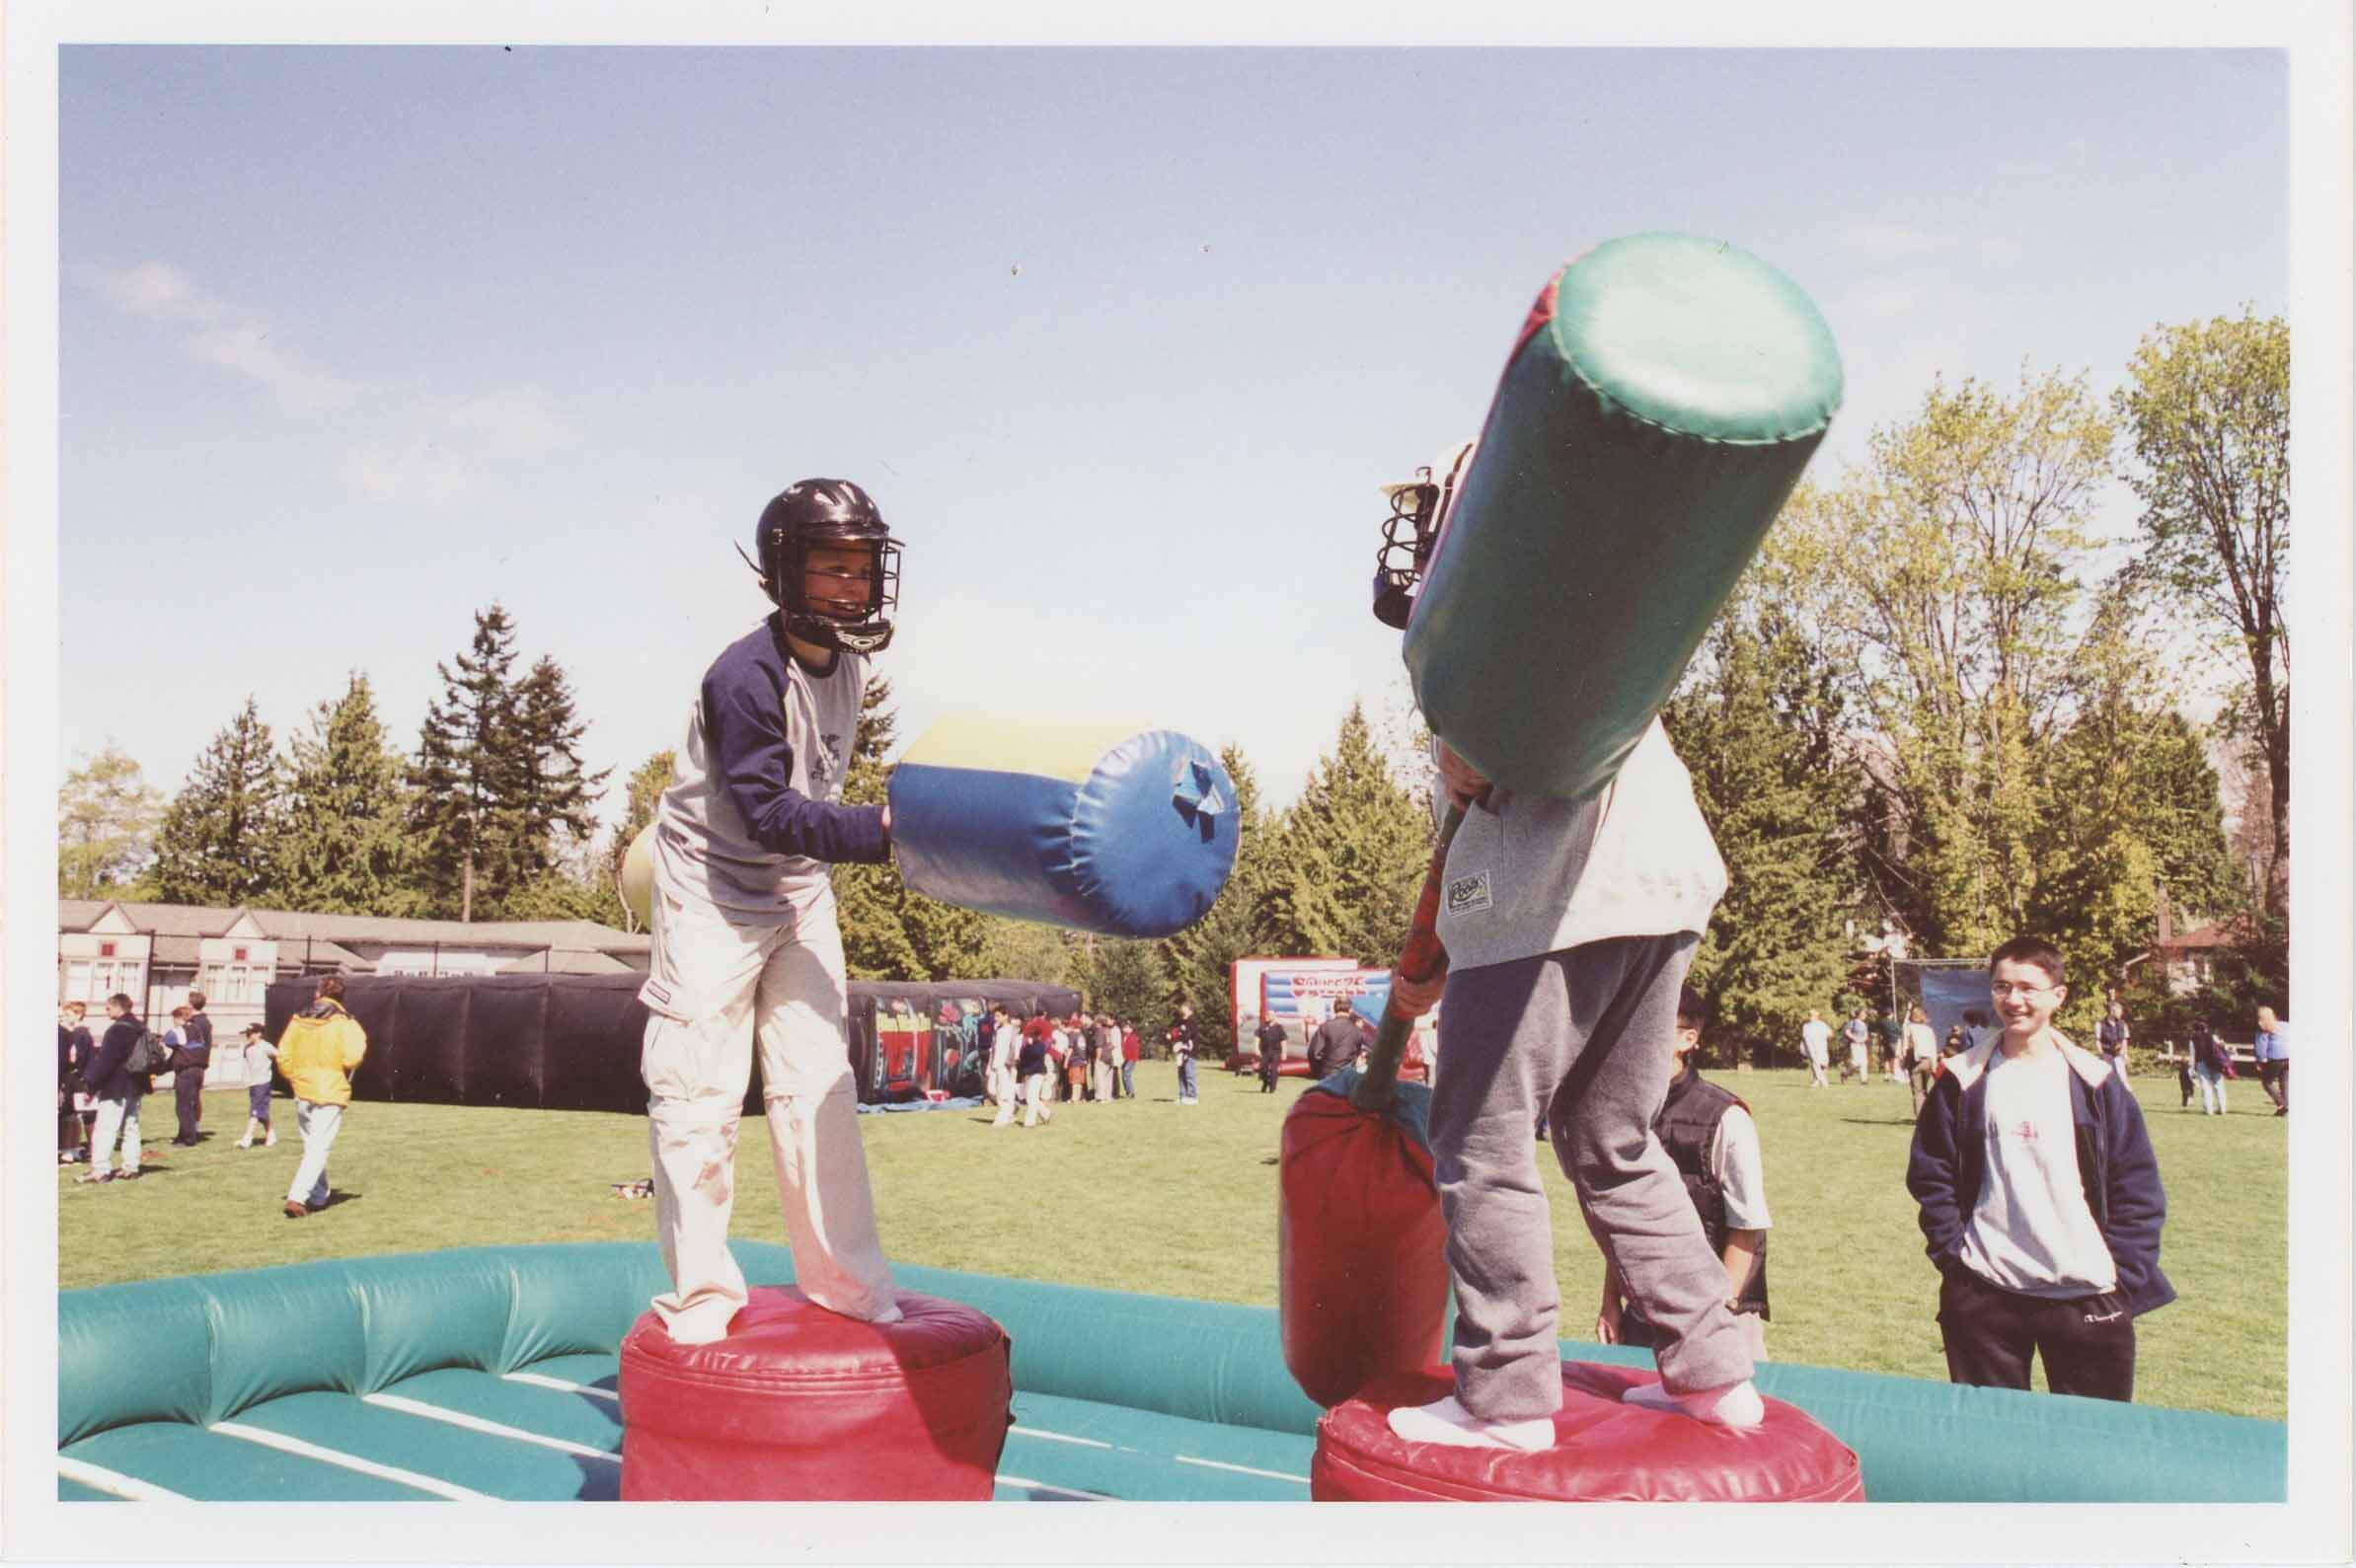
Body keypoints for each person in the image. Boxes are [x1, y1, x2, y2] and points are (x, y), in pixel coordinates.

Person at [1385, 715, 1759, 1448]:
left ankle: (1506, 1395)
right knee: (1610, 1135)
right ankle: (1715, 1368)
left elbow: (1503, 702)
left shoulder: (1470, 606)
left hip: (1543, 888)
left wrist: (1459, 736)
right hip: (1657, 877)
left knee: (1480, 1137)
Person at [635, 478, 911, 1342]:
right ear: (784, 573)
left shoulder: (852, 666)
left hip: (796, 891)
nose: (851, 585)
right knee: (700, 1094)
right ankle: (704, 1299)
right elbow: (767, 811)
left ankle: (849, 1289)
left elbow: (808, 809)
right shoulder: (742, 676)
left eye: (861, 567)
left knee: (817, 1084)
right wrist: (887, 833)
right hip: (713, 891)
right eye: (831, 566)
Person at [1906, 936, 2169, 1403]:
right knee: (1992, 1446)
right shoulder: (1962, 1080)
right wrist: (1956, 1260)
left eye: (2028, 987)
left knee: (2095, 1446)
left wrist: (2122, 1272)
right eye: (2002, 987)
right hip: (1985, 1294)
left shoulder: (2096, 1083)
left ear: (2058, 996)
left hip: (2087, 1294)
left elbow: (2138, 1187)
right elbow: (1931, 1176)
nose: (2014, 1000)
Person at [1598, 987, 1771, 1365]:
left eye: (1649, 1024)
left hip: (1720, 1317)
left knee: (1730, 1423)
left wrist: (1719, 1313)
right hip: (1641, 1318)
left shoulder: (1727, 1118)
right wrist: (1611, 1301)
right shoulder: (1627, 1113)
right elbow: (1623, 1221)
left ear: (1687, 1039)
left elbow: (1748, 1226)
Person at [275, 974, 368, 1217]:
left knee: (312, 1145)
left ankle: (318, 1195)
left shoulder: (297, 1020)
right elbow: (353, 1058)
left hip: (302, 1089)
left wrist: (294, 1077)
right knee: (318, 1148)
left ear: (318, 994)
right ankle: (297, 1197)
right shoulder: (347, 1024)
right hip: (330, 1089)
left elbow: (283, 1056)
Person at [77, 994, 152, 1184]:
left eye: (108, 1008)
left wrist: (90, 1084)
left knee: (105, 1129)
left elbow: (106, 1062)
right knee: (131, 1128)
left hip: (116, 1087)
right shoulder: (140, 1027)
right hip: (136, 1085)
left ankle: (100, 1170)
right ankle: (131, 1167)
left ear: (119, 1008)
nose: (106, 1011)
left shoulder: (117, 1030)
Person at [168, 994, 213, 1146]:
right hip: (198, 1067)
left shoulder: (187, 1027)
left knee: (183, 1105)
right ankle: (187, 1133)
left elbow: (169, 1040)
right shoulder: (202, 1026)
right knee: (190, 1102)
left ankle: (188, 1137)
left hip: (187, 1069)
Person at [58, 1002, 96, 1164]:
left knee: (76, 1114)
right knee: (78, 1114)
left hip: (77, 1078)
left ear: (78, 1014)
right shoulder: (83, 1032)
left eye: (68, 1015)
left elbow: (75, 1058)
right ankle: (78, 1148)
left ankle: (79, 1149)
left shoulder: (79, 1033)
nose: (66, 1018)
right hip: (81, 1077)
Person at [235, 1022, 279, 1148]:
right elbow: (247, 1066)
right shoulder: (247, 1048)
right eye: (247, 1034)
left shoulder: (266, 1046)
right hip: (253, 1084)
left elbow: (279, 1056)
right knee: (261, 1112)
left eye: (251, 1033)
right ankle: (271, 1135)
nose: (248, 1036)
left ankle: (247, 1138)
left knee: (254, 1112)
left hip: (263, 1083)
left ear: (259, 1034)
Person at [1306, 1002, 1364, 1081]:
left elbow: (1313, 1052)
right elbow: (1357, 1055)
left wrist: (1318, 1071)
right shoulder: (1357, 1030)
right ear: (1350, 1010)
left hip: (1326, 1073)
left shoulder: (1325, 1027)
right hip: (1347, 1074)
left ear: (1334, 1010)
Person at [1018, 1010, 1055, 1128]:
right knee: (1031, 1097)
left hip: (1038, 1073)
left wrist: (1030, 1044)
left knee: (1031, 1097)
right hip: (1029, 1072)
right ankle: (1046, 1113)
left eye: (1034, 1035)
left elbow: (1037, 1053)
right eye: (1031, 1034)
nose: (1032, 1036)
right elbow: (1022, 1057)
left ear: (1038, 1036)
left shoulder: (1040, 1045)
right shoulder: (1027, 1045)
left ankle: (1030, 1121)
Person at [1903, 1005, 1940, 1118]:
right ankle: (1929, 1114)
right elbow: (1933, 1048)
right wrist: (1934, 1065)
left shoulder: (1909, 1027)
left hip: (1915, 1061)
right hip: (1928, 1061)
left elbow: (1905, 1044)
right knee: (1925, 1089)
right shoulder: (1929, 1030)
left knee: (1918, 1091)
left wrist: (1903, 1060)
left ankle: (1920, 1117)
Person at [2187, 1021, 2231, 1116]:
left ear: (2195, 1030)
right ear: (2206, 1028)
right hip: (2215, 1063)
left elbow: (2192, 1055)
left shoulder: (2193, 1039)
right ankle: (2222, 1109)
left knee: (2206, 1087)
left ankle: (2209, 1110)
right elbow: (2223, 1048)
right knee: (2219, 1086)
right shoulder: (2213, 1037)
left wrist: (2192, 1067)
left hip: (2201, 1063)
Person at [2251, 1006, 2288, 1117]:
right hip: (2289, 1057)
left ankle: (2281, 1105)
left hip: (2275, 1059)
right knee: (2285, 1082)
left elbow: (2260, 1049)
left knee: (2267, 1082)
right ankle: (2286, 1106)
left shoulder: (2263, 1031)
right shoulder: (2285, 1025)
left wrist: (2259, 1061)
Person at [1170, 1002, 1200, 1105]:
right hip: (1180, 1052)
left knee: (1189, 1074)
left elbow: (1187, 1035)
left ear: (1190, 1010)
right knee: (1181, 1074)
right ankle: (1183, 1096)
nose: (1182, 1008)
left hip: (1190, 1052)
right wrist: (1171, 1035)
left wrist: (1178, 1037)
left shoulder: (1192, 1022)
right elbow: (1174, 1032)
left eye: (1184, 1007)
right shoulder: (1180, 1021)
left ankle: (1193, 1097)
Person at [1255, 1011, 1286, 1093]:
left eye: (1268, 1015)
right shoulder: (1262, 1026)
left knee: (1274, 1070)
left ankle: (1272, 1088)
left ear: (1273, 1017)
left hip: (1276, 1052)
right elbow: (1257, 1037)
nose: (1266, 1016)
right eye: (1266, 1014)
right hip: (1265, 1052)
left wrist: (1284, 1052)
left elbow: (1283, 1040)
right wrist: (1256, 1048)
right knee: (1263, 1069)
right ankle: (1266, 1082)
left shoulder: (1279, 1027)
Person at [2095, 1000, 2131, 1071]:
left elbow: (2124, 1040)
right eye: (2119, 1011)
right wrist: (2101, 1054)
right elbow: (2097, 1041)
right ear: (2112, 1012)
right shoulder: (2099, 1024)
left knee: (2121, 1079)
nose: (2121, 1013)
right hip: (2106, 1055)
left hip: (2119, 1055)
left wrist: (2125, 1054)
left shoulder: (2123, 1024)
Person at [1799, 1009, 1831, 1087]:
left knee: (1824, 1064)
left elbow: (1830, 1034)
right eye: (1809, 1015)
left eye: (1812, 1015)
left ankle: (1818, 1080)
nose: (1810, 1017)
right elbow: (1805, 1037)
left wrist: (1824, 1039)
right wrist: (1804, 1047)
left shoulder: (1822, 1024)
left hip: (1821, 1047)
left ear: (1817, 1017)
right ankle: (1823, 1082)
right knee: (1815, 1063)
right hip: (1811, 1047)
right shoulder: (1806, 1026)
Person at [1841, 1008, 1869, 1084]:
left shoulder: (1864, 1024)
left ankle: (1863, 1080)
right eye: (1863, 1014)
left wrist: (1863, 1039)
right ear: (1859, 1014)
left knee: (1864, 1062)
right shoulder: (1852, 1022)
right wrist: (1855, 1038)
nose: (1865, 1015)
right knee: (1856, 1062)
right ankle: (1845, 1073)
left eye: (1865, 1014)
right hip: (1854, 1044)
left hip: (1862, 1044)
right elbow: (1847, 1032)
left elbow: (1866, 1035)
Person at [1120, 1018, 1140, 1099]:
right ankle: (1128, 1092)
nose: (1125, 1028)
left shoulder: (1133, 1037)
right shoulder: (1124, 1037)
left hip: (1131, 1059)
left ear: (1131, 1029)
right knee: (1124, 1075)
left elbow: (1135, 1050)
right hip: (1125, 1059)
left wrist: (1131, 1059)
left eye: (1127, 1027)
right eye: (1124, 1027)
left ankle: (1131, 1093)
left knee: (1126, 1075)